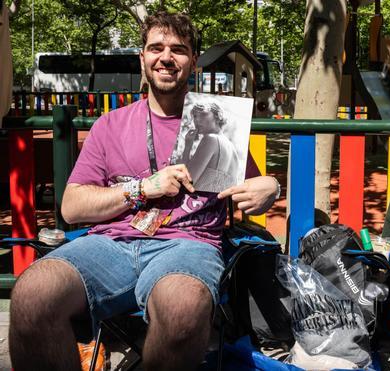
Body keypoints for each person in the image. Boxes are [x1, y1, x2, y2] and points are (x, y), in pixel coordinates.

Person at [9, 11, 280, 370]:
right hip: (110, 245)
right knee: (32, 295)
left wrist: (272, 187)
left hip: (189, 246)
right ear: (143, 57)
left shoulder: (219, 122)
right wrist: (140, 189)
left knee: (183, 308)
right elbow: (71, 208)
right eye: (156, 47)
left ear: (193, 60)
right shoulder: (110, 124)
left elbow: (254, 194)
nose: (166, 57)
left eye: (178, 50)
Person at [183, 102, 240, 192]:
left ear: (217, 117)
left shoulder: (210, 139)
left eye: (203, 114)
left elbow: (186, 182)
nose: (197, 120)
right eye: (195, 116)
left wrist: (187, 147)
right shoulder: (231, 148)